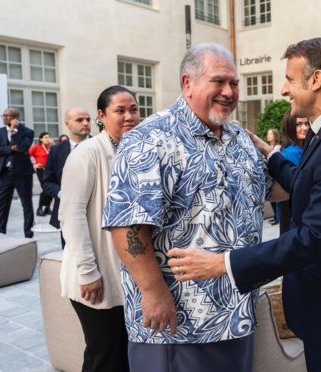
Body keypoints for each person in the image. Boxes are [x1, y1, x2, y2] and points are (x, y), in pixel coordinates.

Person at [168, 37, 321, 371]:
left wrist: (222, 264)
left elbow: (315, 237)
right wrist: (272, 155)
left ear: (316, 80)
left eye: (290, 79)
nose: (283, 90)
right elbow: (304, 184)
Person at [103, 43, 281, 372]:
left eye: (235, 83)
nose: (229, 92)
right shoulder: (149, 138)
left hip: (236, 315)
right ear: (188, 83)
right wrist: (153, 292)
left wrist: (307, 155)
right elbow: (127, 225)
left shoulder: (240, 138)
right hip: (179, 325)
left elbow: (275, 190)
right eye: (218, 81)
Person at [60, 86, 139, 372]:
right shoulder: (87, 154)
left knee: (125, 354)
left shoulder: (135, 151)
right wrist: (88, 272)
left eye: (133, 109)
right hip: (95, 277)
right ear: (102, 116)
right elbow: (71, 215)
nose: (129, 116)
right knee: (104, 357)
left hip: (127, 274)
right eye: (120, 111)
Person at [42, 107, 91, 247]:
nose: (86, 123)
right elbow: (47, 182)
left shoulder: (101, 145)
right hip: (68, 214)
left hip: (98, 214)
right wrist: (63, 193)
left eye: (88, 119)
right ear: (67, 124)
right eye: (79, 120)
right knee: (70, 257)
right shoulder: (56, 150)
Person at [0, 108, 35, 238]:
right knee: (1, 206)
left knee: (27, 205)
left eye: (7, 116)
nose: (4, 118)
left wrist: (14, 131)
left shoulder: (27, 132)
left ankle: (28, 235)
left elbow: (23, 147)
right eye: (3, 115)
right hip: (4, 174)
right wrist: (11, 148)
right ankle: (0, 234)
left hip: (23, 174)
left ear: (15, 118)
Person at [278, 109, 309, 234]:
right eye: (299, 124)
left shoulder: (304, 149)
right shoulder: (290, 153)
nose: (305, 128)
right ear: (290, 127)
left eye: (307, 123)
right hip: (294, 212)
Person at [29, 132, 53, 216]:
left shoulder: (49, 147)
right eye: (46, 137)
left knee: (51, 188)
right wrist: (34, 165)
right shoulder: (36, 147)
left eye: (49, 137)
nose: (48, 139)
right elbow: (25, 157)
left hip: (50, 170)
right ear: (41, 139)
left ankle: (47, 207)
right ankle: (39, 208)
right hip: (41, 170)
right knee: (45, 188)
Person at [267, 128, 282, 225]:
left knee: (276, 198)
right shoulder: (268, 146)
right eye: (268, 134)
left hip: (276, 174)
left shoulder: (278, 147)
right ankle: (275, 216)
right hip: (269, 173)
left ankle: (277, 217)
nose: (268, 136)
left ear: (275, 136)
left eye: (270, 134)